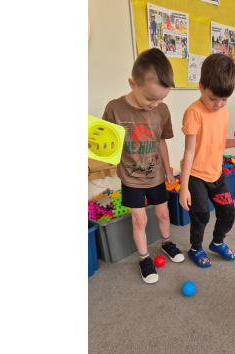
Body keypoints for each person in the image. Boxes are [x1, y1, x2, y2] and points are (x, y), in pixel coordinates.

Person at [102, 48, 184, 284]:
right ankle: (144, 257)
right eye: (150, 99)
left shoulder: (162, 110)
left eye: (161, 99)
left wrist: (168, 170)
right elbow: (106, 143)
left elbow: (161, 142)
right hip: (131, 178)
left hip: (156, 175)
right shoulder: (114, 109)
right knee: (140, 220)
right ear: (132, 84)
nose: (155, 104)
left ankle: (166, 242)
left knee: (163, 213)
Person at [179, 54, 235, 268]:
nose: (218, 104)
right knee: (201, 215)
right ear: (201, 87)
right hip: (196, 176)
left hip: (217, 174)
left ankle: (217, 242)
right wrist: (184, 187)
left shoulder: (224, 112)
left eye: (224, 99)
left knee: (228, 213)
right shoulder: (194, 112)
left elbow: (220, 143)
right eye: (213, 98)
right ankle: (195, 248)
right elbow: (189, 152)